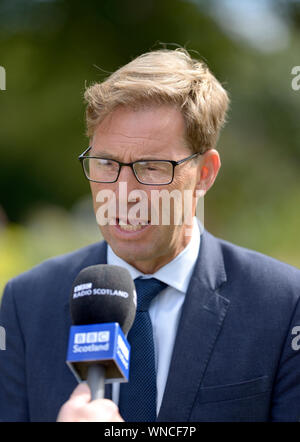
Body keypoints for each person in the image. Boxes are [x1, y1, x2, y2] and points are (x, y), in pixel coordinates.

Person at [1, 49, 300, 423]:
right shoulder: (25, 303)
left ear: (204, 173)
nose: (122, 193)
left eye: (151, 167)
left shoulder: (285, 305)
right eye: (107, 163)